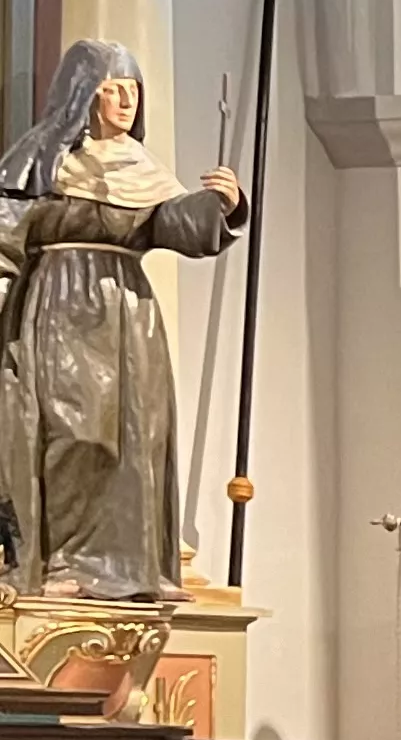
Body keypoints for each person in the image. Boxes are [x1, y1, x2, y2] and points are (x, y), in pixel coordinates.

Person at [0, 37, 242, 600]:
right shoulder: (44, 159)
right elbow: (8, 226)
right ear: (84, 96)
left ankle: (128, 569)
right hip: (59, 304)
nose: (124, 100)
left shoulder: (141, 167)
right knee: (75, 431)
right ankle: (65, 562)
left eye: (132, 89)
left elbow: (173, 224)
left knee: (138, 435)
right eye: (111, 89)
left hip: (129, 315)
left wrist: (220, 205)